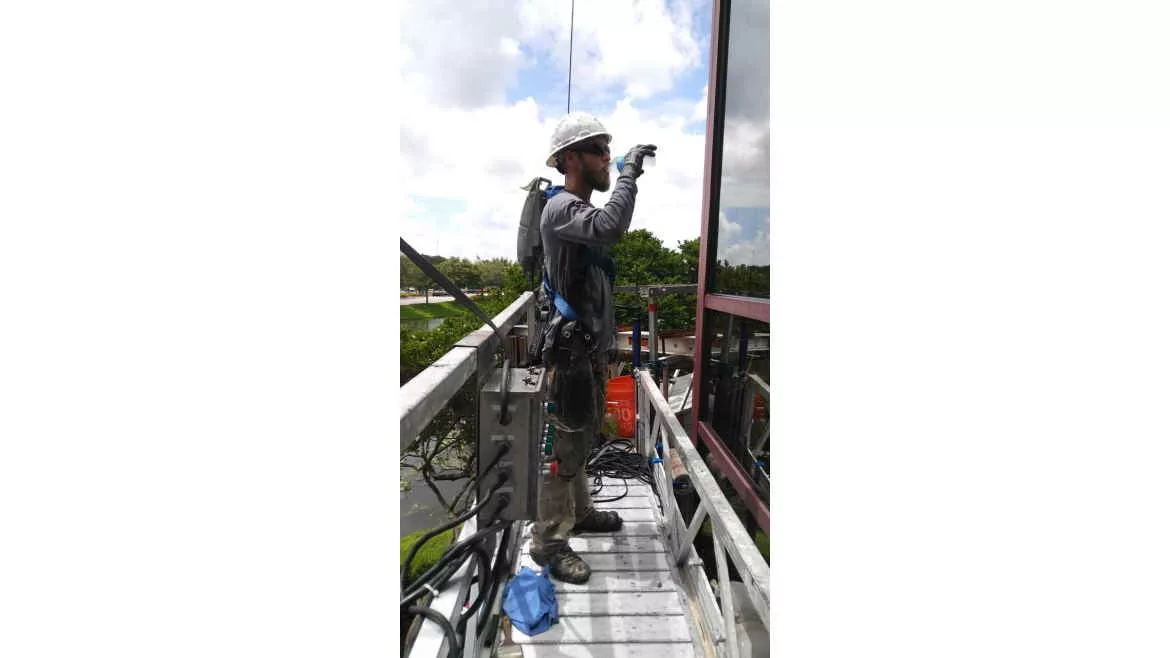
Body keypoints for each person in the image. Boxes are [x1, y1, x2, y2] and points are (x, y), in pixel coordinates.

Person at [531, 112, 656, 583]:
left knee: (581, 439)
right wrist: (629, 174)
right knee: (563, 451)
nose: (608, 157)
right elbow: (609, 226)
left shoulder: (573, 211)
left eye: (609, 150)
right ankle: (549, 542)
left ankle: (579, 513)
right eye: (599, 150)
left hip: (586, 354)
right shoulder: (562, 208)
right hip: (570, 357)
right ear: (570, 159)